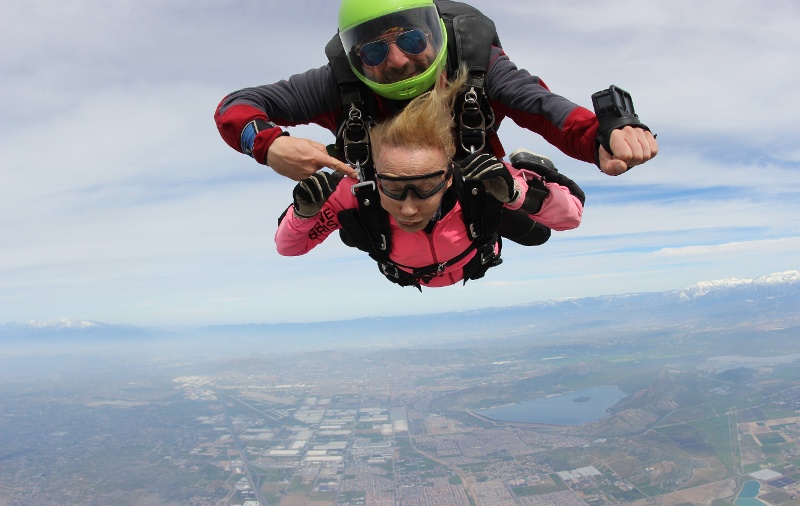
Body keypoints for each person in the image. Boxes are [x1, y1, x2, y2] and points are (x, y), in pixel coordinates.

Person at [214, 0, 658, 183]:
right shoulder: (337, 85)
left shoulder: (477, 64)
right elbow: (237, 106)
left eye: (409, 40)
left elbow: (543, 107)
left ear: (435, 33)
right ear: (354, 57)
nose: (398, 61)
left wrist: (602, 136)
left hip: (472, 182)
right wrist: (268, 145)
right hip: (389, 196)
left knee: (523, 220)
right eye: (372, 49)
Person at [274, 71, 584, 289]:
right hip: (419, 269)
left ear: (449, 178)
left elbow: (570, 217)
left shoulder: (480, 180)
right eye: (393, 189)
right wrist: (303, 214)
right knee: (352, 231)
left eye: (424, 190)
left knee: (536, 234)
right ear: (377, 177)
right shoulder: (355, 193)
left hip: (475, 246)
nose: (408, 209)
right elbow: (289, 247)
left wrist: (518, 193)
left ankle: (533, 169)